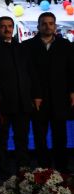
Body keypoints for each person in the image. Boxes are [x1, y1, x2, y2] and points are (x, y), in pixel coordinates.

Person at [0, 17, 37, 178]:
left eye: (10, 26)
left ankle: (24, 171)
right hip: (2, 103)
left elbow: (30, 73)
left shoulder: (22, 48)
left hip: (22, 102)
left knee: (22, 138)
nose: (7, 29)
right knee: (1, 140)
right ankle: (4, 173)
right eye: (3, 26)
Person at [24, 12, 74, 172]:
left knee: (60, 135)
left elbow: (71, 70)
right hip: (37, 98)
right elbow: (28, 74)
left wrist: (72, 91)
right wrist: (34, 94)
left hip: (60, 97)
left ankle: (62, 170)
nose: (48, 26)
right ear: (38, 26)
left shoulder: (65, 45)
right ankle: (43, 170)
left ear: (55, 25)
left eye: (51, 23)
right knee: (40, 136)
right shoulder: (27, 46)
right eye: (44, 23)